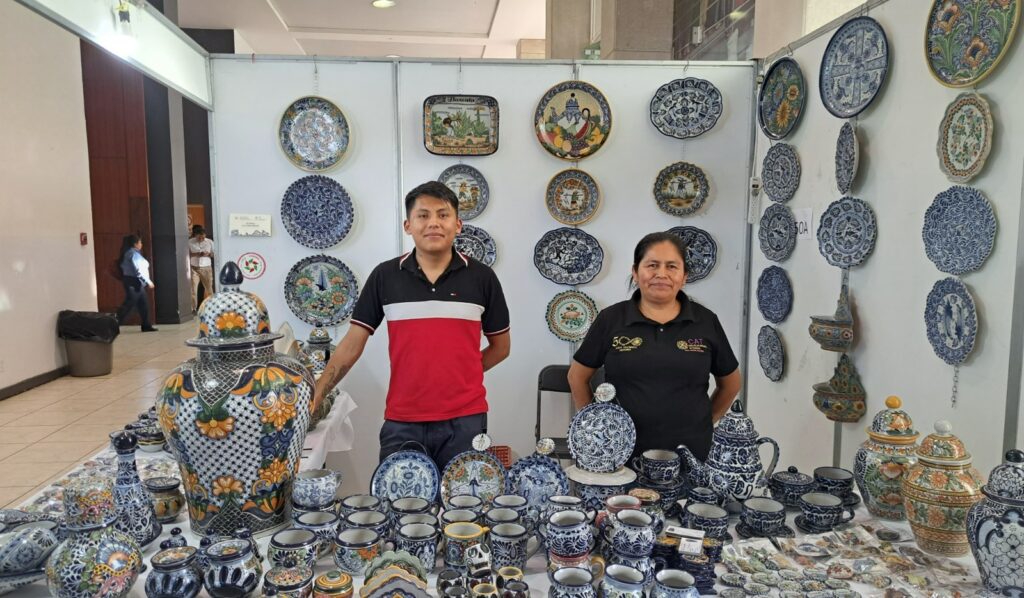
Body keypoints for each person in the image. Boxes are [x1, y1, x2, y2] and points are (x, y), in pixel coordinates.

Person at [313, 181, 511, 469]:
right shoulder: (385, 276)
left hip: (465, 420)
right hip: (403, 420)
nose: (434, 223)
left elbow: (501, 347)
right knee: (396, 497)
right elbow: (352, 344)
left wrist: (460, 374)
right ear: (408, 225)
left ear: (458, 224)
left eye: (443, 215)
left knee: (462, 498)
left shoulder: (482, 278)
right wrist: (317, 393)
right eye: (423, 215)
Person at [568, 232, 741, 462]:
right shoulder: (611, 319)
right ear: (635, 272)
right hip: (622, 455)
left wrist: (703, 423)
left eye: (672, 266)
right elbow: (577, 377)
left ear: (684, 276)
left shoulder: (705, 321)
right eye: (652, 265)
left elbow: (731, 383)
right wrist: (593, 427)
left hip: (691, 454)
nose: (661, 274)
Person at [115, 234, 157, 332]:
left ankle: (146, 325)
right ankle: (113, 323)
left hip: (133, 282)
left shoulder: (129, 253)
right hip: (133, 282)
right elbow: (139, 270)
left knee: (143, 304)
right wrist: (148, 281)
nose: (141, 244)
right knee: (128, 305)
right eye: (140, 242)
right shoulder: (133, 254)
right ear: (135, 244)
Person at [189, 225, 215, 313]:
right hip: (194, 268)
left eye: (203, 237)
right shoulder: (190, 242)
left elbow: (214, 254)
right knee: (193, 289)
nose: (201, 239)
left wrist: (208, 254)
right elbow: (186, 254)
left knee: (209, 288)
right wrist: (196, 254)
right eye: (199, 238)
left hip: (206, 268)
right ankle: (193, 309)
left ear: (205, 235)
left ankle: (212, 306)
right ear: (195, 235)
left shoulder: (210, 242)